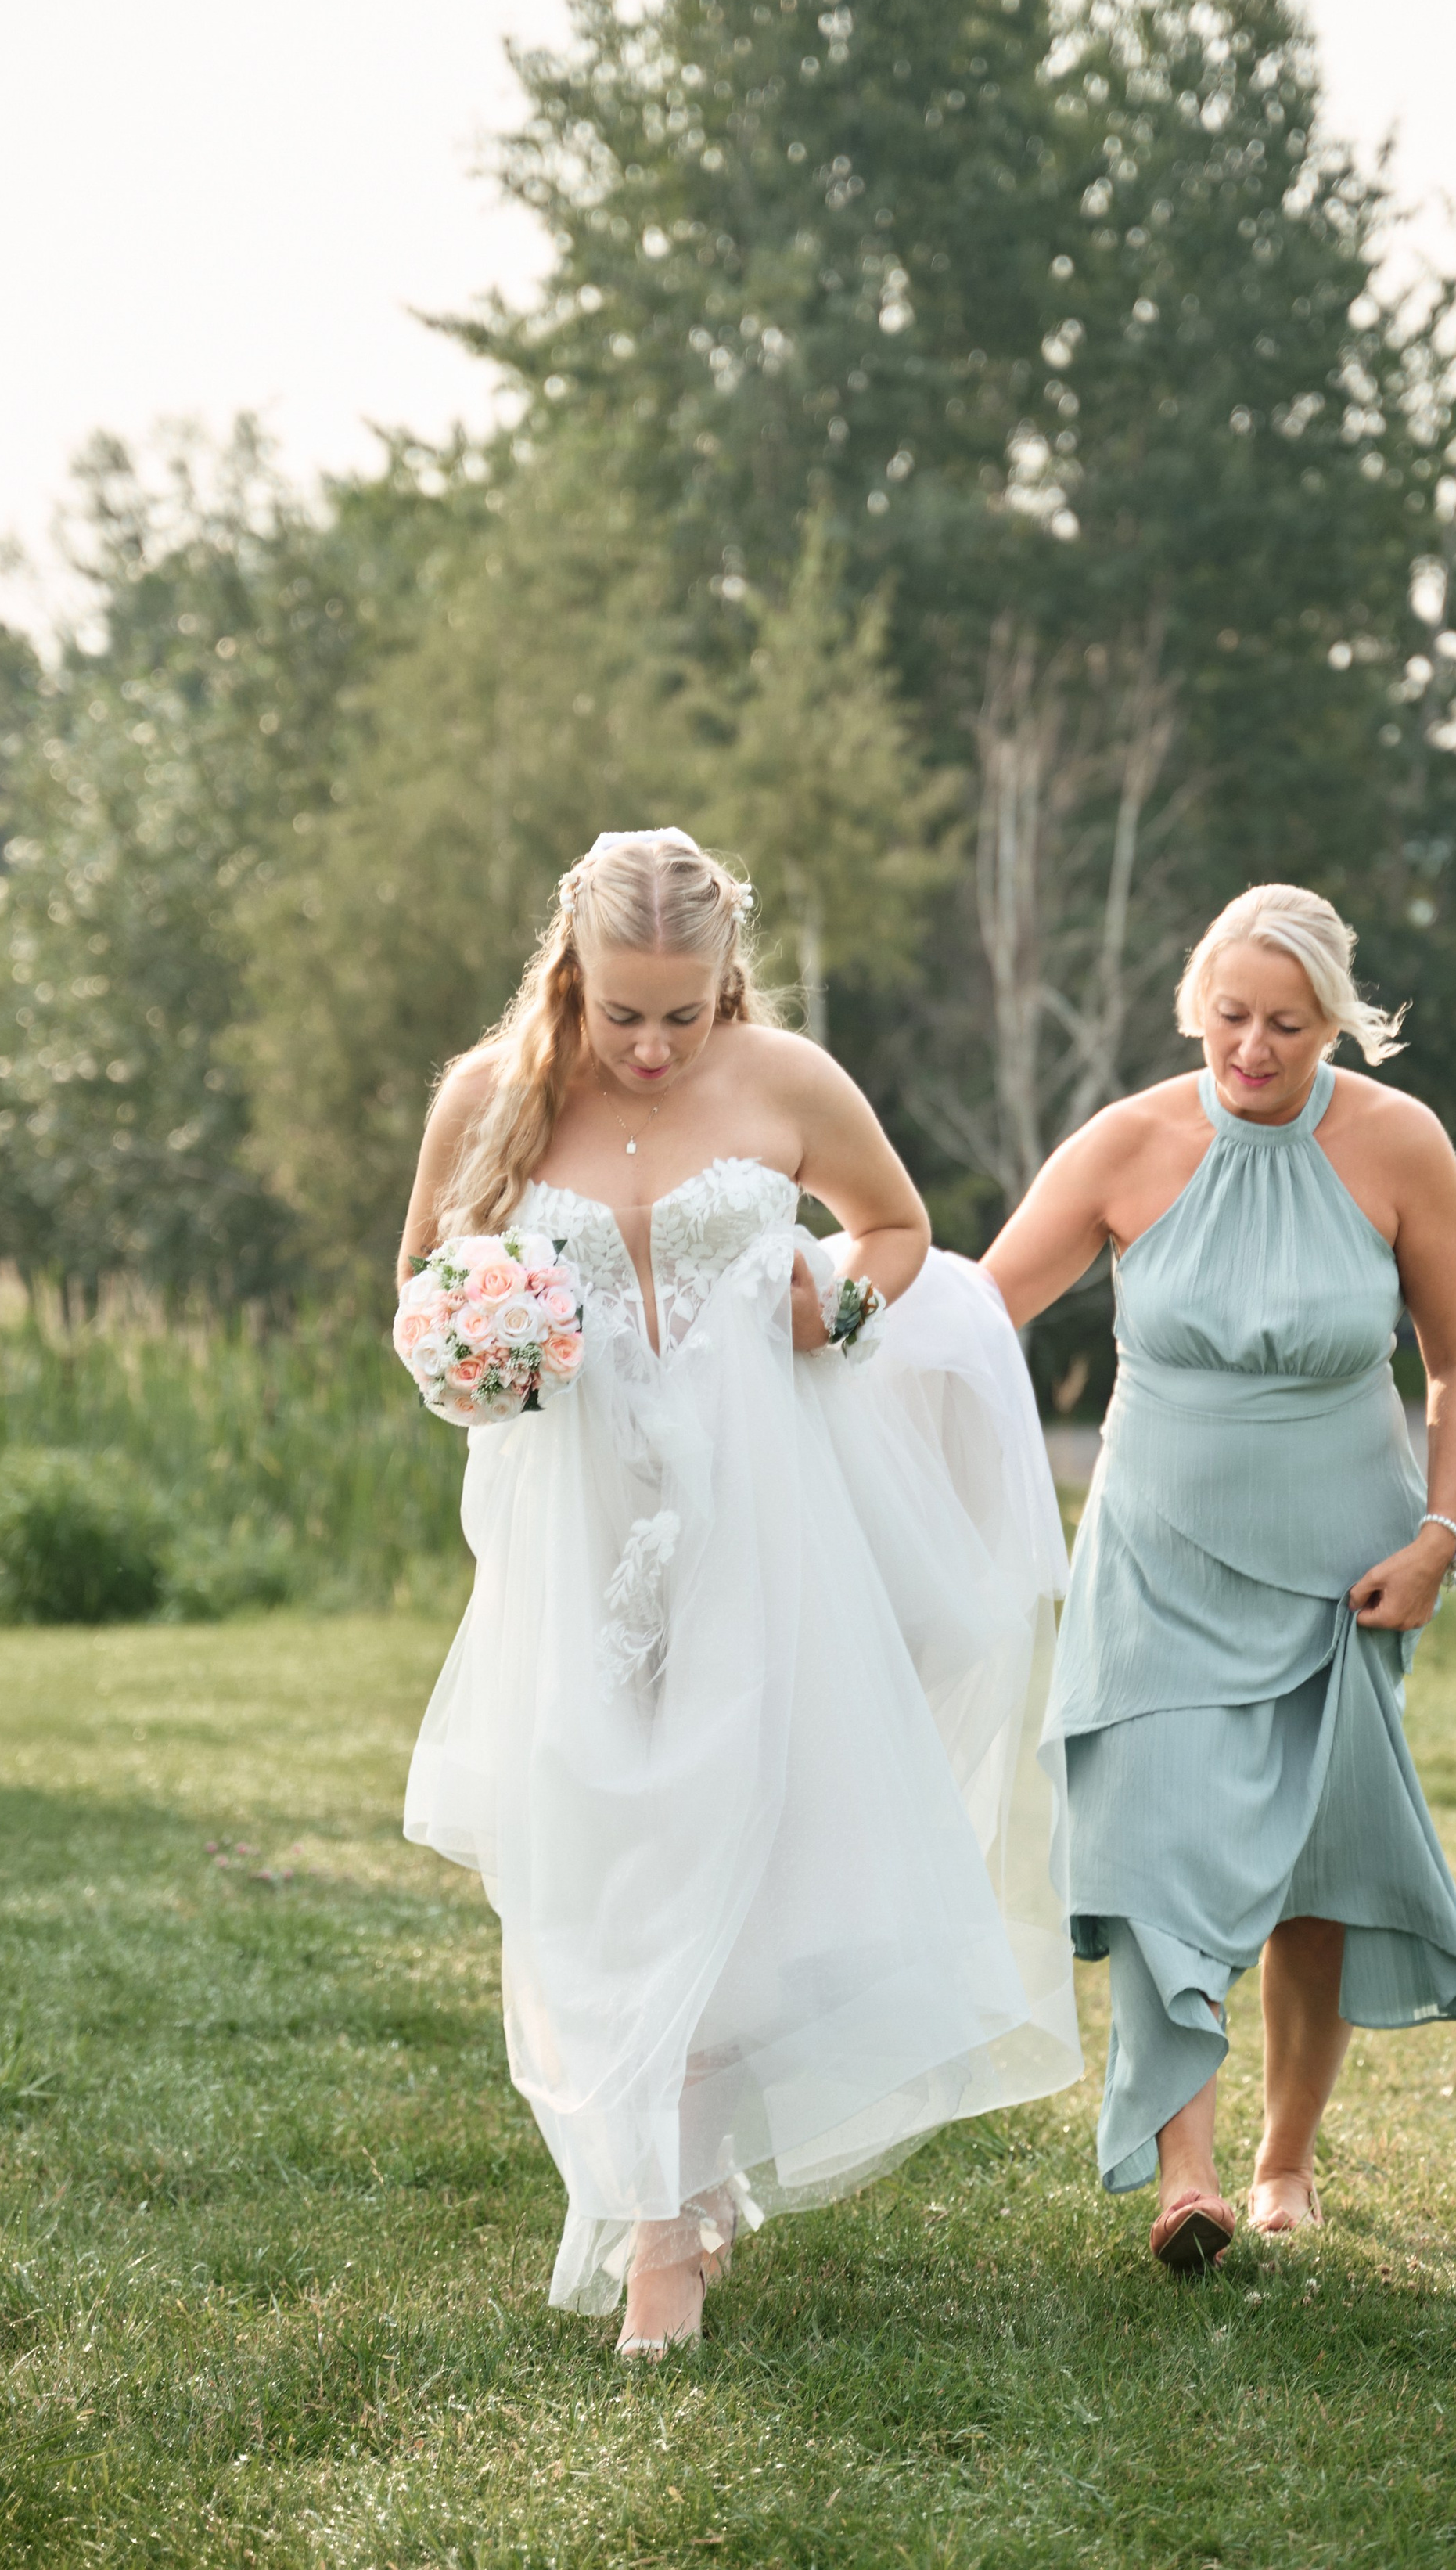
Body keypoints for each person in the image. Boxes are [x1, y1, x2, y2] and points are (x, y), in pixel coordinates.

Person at [397, 828, 1080, 2354]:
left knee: (733, 1818)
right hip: (580, 1528)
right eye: (619, 1009)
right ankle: (671, 2182)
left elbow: (895, 1231)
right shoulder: (486, 1096)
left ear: (725, 984)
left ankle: (663, 2225)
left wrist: (831, 1294)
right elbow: (417, 1293)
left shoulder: (786, 1080)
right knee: (606, 1846)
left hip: (762, 1511)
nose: (648, 1044)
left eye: (680, 1013)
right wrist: (473, 1346)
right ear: (567, 969)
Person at [982, 882, 1456, 2271]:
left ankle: (1283, 2162)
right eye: (1231, 1018)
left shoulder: (1400, 1145)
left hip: (1345, 1565)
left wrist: (1442, 1536)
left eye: (1288, 1024)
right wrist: (832, 1320)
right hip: (1153, 1557)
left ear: (1336, 1021)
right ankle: (1187, 2174)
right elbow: (981, 1310)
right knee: (1154, 1842)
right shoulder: (1128, 1141)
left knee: (1311, 1872)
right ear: (1192, 1008)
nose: (1254, 1050)